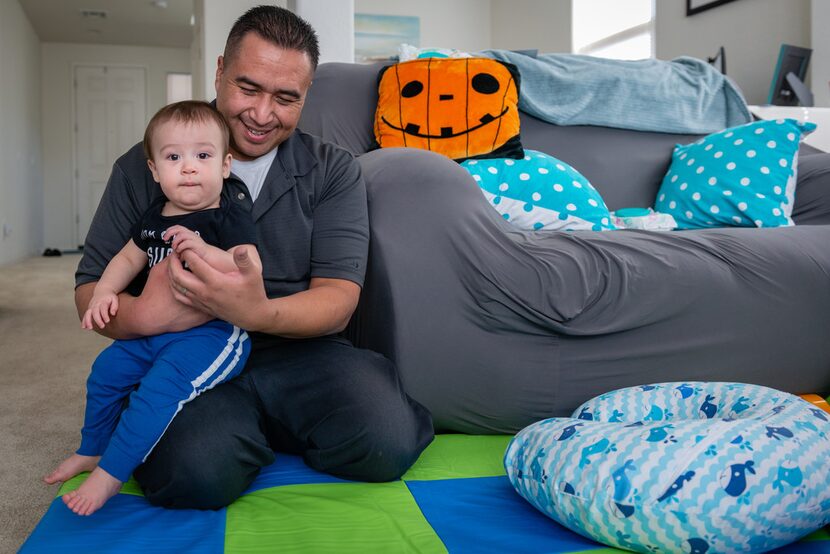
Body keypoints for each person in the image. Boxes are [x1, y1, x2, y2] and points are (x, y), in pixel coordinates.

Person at [70, 5, 434, 510]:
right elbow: (90, 289)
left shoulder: (333, 171)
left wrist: (257, 313)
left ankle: (259, 429)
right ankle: (229, 431)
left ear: (306, 97)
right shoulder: (145, 164)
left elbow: (338, 298)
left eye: (286, 99)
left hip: (298, 348)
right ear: (219, 71)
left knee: (385, 441)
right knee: (194, 475)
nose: (263, 115)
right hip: (184, 351)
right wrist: (144, 315)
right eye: (248, 88)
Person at [45, 101, 261, 516]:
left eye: (203, 156)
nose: (189, 167)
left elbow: (248, 266)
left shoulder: (226, 217)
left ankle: (109, 476)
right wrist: (105, 293)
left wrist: (205, 251)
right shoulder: (154, 217)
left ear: (225, 165)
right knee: (106, 372)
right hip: (154, 333)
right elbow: (128, 259)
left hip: (212, 335)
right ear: (154, 170)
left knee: (158, 392)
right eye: (174, 157)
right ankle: (92, 448)